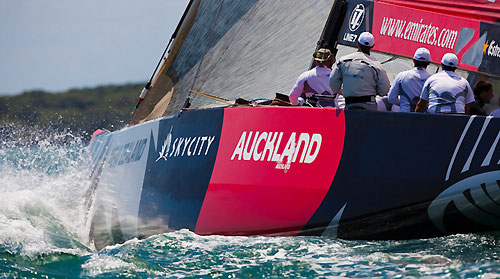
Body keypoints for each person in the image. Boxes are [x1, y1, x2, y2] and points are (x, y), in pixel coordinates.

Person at [330, 32, 391, 110]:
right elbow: (384, 90)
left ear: (358, 43)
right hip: (369, 105)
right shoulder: (377, 65)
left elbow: (333, 84)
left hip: (349, 103)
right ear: (372, 46)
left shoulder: (342, 61)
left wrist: (345, 92)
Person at [388, 48, 432, 112]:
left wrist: (403, 103)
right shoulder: (431, 79)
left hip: (405, 116)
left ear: (414, 60)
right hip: (423, 118)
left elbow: (391, 98)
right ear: (428, 63)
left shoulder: (402, 76)